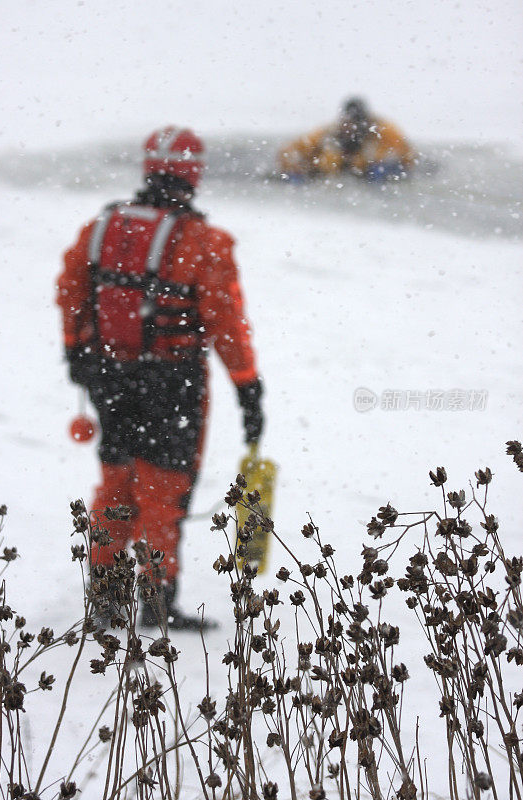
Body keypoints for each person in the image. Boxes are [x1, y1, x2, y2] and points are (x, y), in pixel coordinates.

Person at [56, 126, 264, 629]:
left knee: (117, 481)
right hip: (172, 382)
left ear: (149, 166)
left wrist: (75, 354)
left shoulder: (101, 227)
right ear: (194, 172)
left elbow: (70, 291)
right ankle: (155, 601)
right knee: (163, 490)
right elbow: (225, 322)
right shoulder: (203, 240)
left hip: (109, 375)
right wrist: (248, 386)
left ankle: (104, 597)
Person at [278, 97, 416, 182]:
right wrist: (295, 166)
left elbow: (405, 154)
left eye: (357, 123)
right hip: (338, 176)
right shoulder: (327, 134)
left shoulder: (385, 132)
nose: (351, 128)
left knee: (378, 171)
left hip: (379, 174)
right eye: (348, 122)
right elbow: (290, 151)